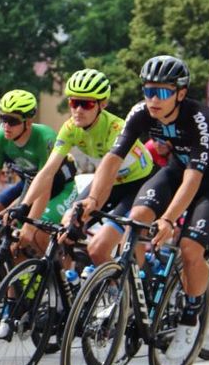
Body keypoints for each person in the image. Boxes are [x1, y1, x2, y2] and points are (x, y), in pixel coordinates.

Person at [82, 55, 209, 358]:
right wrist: (91, 201)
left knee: (190, 249)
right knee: (134, 219)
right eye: (148, 90)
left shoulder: (199, 119)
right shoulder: (141, 112)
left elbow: (194, 179)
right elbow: (112, 160)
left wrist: (167, 219)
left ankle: (191, 318)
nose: (153, 99)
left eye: (162, 92)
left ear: (180, 93)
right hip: (176, 171)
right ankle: (140, 287)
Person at [20, 69, 154, 264]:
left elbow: (106, 176)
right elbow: (48, 171)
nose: (78, 110)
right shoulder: (70, 128)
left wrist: (90, 206)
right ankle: (73, 283)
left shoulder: (115, 128)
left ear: (103, 104)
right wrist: (25, 205)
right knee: (65, 227)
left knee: (102, 247)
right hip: (110, 180)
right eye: (74, 103)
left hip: (137, 184)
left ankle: (128, 286)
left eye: (87, 104)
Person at [0, 90, 77, 227]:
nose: (6, 126)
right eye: (3, 119)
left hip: (59, 187)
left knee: (33, 230)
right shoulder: (0, 138)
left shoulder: (45, 139)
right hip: (29, 184)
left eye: (13, 121)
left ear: (28, 122)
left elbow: (45, 185)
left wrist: (28, 227)